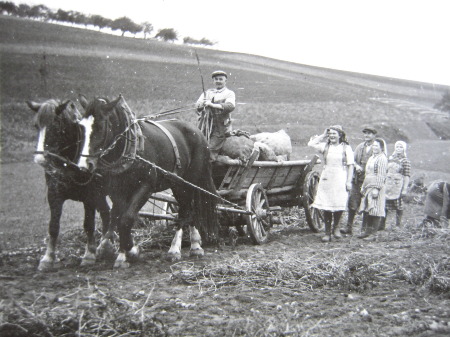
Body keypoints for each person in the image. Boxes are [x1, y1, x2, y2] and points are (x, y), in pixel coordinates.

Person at [308, 125, 354, 242]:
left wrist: (349, 181)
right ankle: (327, 232)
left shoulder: (346, 148)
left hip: (340, 176)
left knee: (339, 202)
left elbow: (350, 165)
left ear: (340, 135)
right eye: (330, 134)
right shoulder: (325, 146)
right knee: (326, 204)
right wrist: (323, 135)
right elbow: (311, 144)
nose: (332, 136)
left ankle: (336, 228)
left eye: (334, 133)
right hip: (327, 176)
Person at [341, 126, 377, 235]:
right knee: (352, 202)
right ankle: (349, 227)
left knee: (366, 204)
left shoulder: (377, 147)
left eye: (369, 133)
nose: (367, 135)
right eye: (365, 133)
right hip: (357, 179)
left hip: (369, 181)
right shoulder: (360, 147)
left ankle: (364, 228)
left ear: (374, 135)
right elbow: (352, 160)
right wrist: (356, 166)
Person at [195, 70, 236, 161]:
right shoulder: (207, 93)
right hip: (204, 126)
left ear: (225, 81)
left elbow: (230, 106)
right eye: (216, 79)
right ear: (213, 81)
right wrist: (201, 105)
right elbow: (197, 107)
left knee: (209, 151)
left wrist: (212, 105)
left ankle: (207, 171)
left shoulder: (229, 93)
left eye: (221, 79)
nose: (218, 81)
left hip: (220, 128)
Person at [358, 138, 388, 240]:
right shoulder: (372, 158)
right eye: (373, 146)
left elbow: (381, 175)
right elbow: (367, 174)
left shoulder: (382, 158)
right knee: (368, 209)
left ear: (381, 148)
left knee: (375, 210)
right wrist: (363, 187)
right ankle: (367, 231)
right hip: (368, 185)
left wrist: (376, 188)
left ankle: (374, 234)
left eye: (377, 146)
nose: (374, 148)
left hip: (376, 187)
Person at [379, 141, 411, 229]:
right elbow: (385, 171)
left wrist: (404, 189)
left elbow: (407, 175)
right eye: (397, 147)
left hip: (398, 185)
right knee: (385, 205)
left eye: (401, 147)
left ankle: (398, 224)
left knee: (399, 206)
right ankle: (382, 224)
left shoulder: (405, 161)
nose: (398, 149)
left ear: (404, 149)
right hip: (388, 184)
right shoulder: (390, 158)